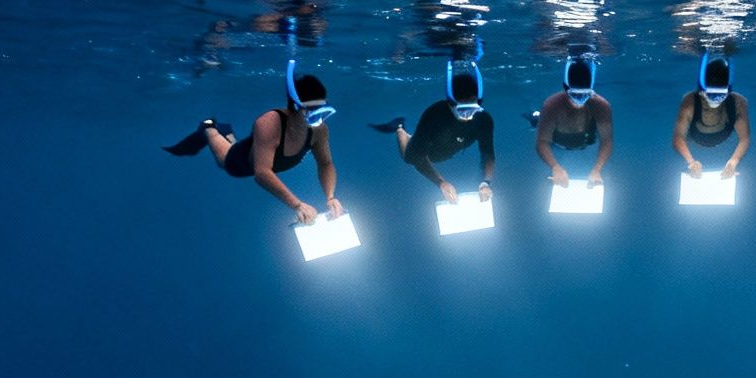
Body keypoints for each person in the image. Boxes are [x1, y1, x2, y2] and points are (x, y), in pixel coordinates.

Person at [162, 64, 343, 224]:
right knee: (225, 160)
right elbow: (262, 173)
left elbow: (325, 163)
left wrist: (330, 197)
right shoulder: (270, 123)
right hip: (241, 162)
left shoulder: (319, 129)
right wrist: (297, 205)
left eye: (322, 110)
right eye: (313, 111)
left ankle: (226, 132)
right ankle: (210, 127)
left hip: (259, 149)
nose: (318, 119)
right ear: (296, 106)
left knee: (243, 144)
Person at [370, 48, 497, 203]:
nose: (467, 114)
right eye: (462, 109)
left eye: (472, 109)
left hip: (449, 149)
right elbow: (417, 157)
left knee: (437, 155)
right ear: (451, 103)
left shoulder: (483, 119)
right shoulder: (435, 115)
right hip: (430, 147)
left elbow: (488, 154)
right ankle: (399, 128)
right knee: (409, 158)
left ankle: (408, 133)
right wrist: (441, 182)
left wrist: (485, 182)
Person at [528, 54, 614, 188]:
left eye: (585, 95)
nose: (579, 100)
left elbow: (607, 140)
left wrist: (597, 170)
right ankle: (536, 118)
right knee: (537, 122)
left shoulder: (601, 106)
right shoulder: (552, 105)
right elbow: (542, 142)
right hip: (557, 142)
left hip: (585, 141)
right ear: (566, 89)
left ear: (592, 91)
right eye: (575, 95)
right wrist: (555, 166)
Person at [672, 56, 751, 178]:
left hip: (713, 133)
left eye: (720, 95)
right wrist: (691, 162)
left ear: (728, 92)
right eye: (711, 94)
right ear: (702, 91)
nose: (714, 100)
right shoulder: (689, 103)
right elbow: (678, 137)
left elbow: (744, 138)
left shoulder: (738, 103)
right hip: (696, 136)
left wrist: (733, 162)